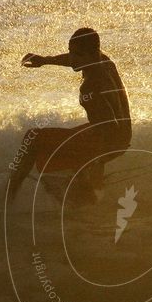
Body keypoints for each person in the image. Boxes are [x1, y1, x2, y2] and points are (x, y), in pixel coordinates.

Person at [9, 28, 131, 202]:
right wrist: (45, 60)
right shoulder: (104, 61)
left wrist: (95, 163)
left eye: (78, 54)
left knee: (33, 136)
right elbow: (71, 60)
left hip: (109, 139)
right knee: (56, 145)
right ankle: (81, 178)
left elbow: (109, 126)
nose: (72, 58)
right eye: (71, 51)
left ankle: (9, 194)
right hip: (120, 136)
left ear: (92, 54)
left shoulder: (93, 86)